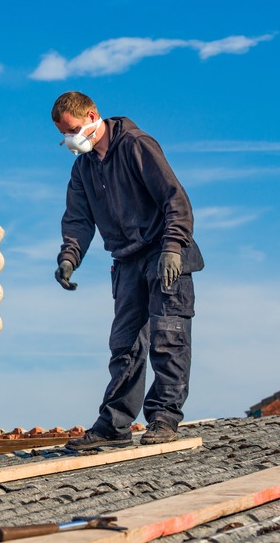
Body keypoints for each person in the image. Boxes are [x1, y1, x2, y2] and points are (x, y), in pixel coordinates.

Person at [51, 91, 203, 450]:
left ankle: (164, 418)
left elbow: (174, 199)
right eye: (65, 135)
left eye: (74, 129)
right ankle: (115, 426)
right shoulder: (83, 169)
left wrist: (172, 247)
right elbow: (78, 219)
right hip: (126, 261)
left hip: (164, 252)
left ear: (92, 116)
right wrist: (69, 257)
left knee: (169, 336)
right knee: (125, 345)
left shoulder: (137, 145)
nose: (72, 140)